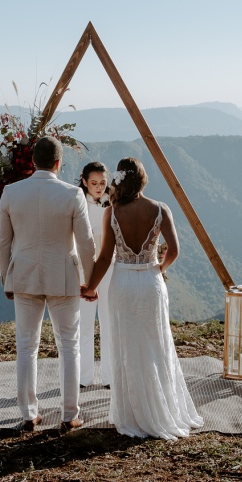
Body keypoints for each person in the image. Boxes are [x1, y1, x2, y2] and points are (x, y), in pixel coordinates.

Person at [82, 157, 203, 440]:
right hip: (151, 283)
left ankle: (133, 413)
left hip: (122, 283)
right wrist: (158, 269)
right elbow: (174, 249)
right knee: (156, 343)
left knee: (127, 345)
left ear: (120, 181)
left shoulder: (112, 213)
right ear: (143, 179)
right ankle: (162, 408)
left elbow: (104, 258)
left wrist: (90, 287)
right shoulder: (161, 209)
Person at [0, 136, 97, 431]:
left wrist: (7, 278)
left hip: (24, 276)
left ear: (32, 161)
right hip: (63, 277)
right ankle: (69, 415)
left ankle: (29, 415)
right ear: (58, 162)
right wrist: (89, 282)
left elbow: (2, 242)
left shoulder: (11, 193)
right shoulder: (72, 194)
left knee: (26, 347)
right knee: (69, 346)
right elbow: (86, 243)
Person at [76, 161, 114, 388]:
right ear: (84, 182)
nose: (99, 187)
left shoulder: (114, 203)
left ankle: (109, 377)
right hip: (84, 268)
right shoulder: (78, 203)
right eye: (94, 183)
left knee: (109, 322)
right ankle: (84, 377)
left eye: (102, 183)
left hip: (109, 267)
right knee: (84, 324)